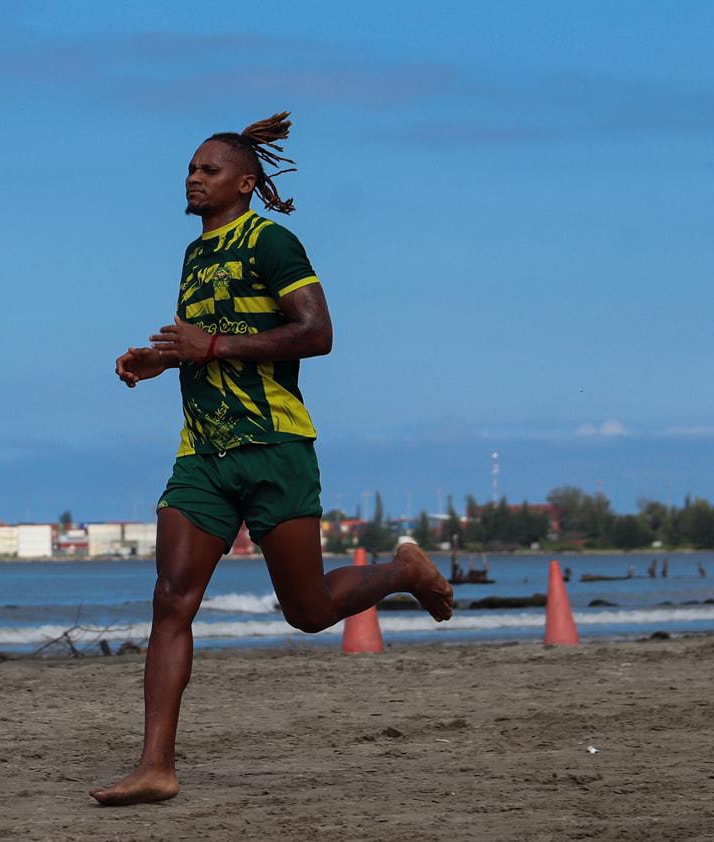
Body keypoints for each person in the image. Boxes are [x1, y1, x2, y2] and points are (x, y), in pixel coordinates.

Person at [90, 112, 454, 806]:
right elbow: (211, 340)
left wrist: (210, 348)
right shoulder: (194, 255)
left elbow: (316, 333)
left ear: (245, 183)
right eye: (190, 168)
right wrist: (165, 359)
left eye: (209, 169)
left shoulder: (273, 242)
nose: (193, 178)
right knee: (170, 600)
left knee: (308, 611)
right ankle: (156, 766)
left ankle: (403, 571)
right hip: (203, 452)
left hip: (274, 446)